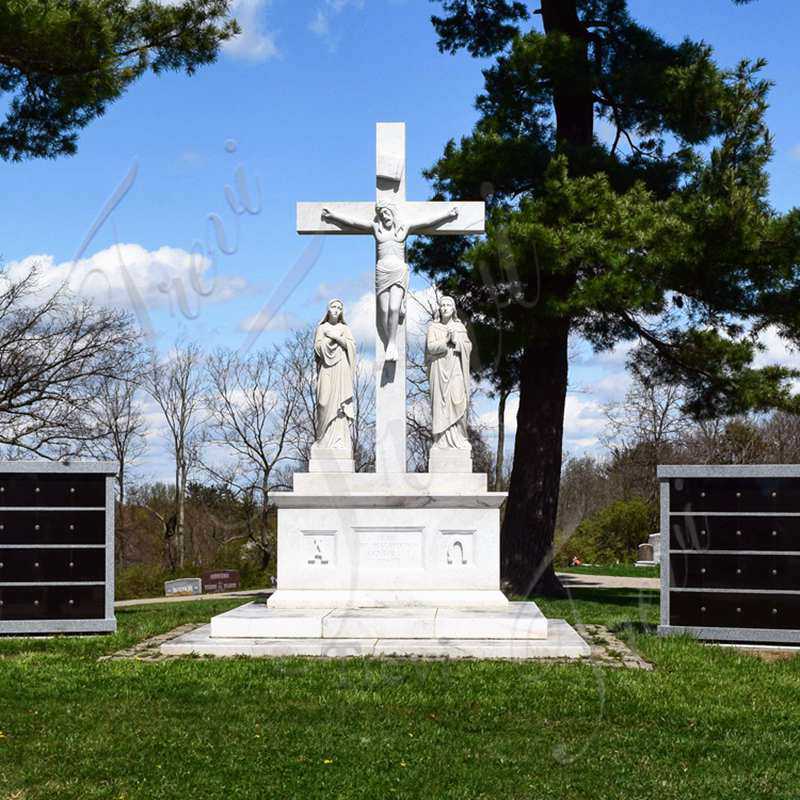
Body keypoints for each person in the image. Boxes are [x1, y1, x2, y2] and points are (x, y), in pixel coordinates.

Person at [321, 203, 458, 362]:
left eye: (386, 213)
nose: (384, 216)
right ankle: (388, 341)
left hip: (398, 271)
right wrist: (333, 216)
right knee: (384, 311)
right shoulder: (376, 229)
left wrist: (447, 215)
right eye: (381, 214)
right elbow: (353, 223)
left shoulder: (404, 228)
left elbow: (427, 222)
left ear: (393, 214)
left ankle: (391, 344)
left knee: (394, 307)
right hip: (382, 272)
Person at [425, 296, 472, 452]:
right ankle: (440, 441)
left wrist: (456, 340)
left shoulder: (460, 328)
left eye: (448, 305)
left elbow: (467, 347)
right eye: (442, 305)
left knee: (459, 400)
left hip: (456, 369)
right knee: (440, 405)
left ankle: (460, 438)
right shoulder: (433, 328)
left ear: (453, 310)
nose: (444, 308)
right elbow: (430, 348)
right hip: (438, 371)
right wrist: (446, 340)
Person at [313, 299, 356, 452]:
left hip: (341, 368)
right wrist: (328, 339)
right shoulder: (322, 328)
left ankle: (339, 442)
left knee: (340, 406)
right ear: (328, 309)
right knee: (323, 402)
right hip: (326, 368)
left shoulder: (344, 328)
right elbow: (317, 349)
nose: (336, 310)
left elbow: (351, 346)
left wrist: (337, 337)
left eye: (339, 307)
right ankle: (322, 440)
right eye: (333, 307)